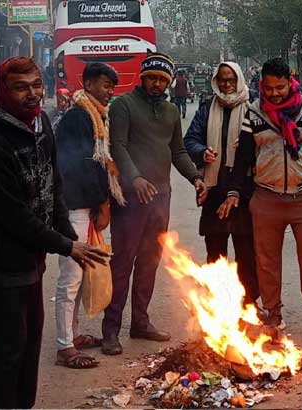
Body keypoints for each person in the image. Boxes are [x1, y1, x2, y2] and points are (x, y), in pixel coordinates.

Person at [0, 56, 109, 408]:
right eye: (20, 87)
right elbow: (12, 215)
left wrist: (68, 237)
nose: (31, 94)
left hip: (32, 259)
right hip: (2, 261)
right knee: (8, 351)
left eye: (36, 85)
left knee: (29, 348)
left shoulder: (41, 122)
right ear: (3, 90)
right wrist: (66, 246)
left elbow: (53, 185)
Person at [220, 57, 302, 337]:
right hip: (266, 198)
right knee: (267, 260)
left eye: (280, 87)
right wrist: (234, 191)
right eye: (269, 88)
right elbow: (244, 156)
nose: (274, 93)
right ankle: (273, 314)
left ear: (291, 81)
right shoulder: (254, 112)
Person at [102, 52, 208, 355]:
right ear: (142, 76)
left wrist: (195, 177)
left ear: (169, 81)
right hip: (131, 198)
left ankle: (140, 323)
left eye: (163, 79)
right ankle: (110, 329)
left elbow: (178, 151)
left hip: (161, 196)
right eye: (152, 78)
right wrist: (134, 178)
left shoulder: (172, 111)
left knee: (149, 262)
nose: (157, 84)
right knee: (122, 263)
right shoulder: (123, 105)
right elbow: (117, 146)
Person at [54, 62, 125, 369]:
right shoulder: (79, 116)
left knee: (81, 275)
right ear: (89, 84)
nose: (110, 92)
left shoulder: (95, 115)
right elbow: (80, 165)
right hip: (75, 207)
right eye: (105, 86)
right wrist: (101, 202)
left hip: (86, 205)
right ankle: (64, 346)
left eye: (112, 86)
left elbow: (96, 162)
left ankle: (75, 334)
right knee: (70, 278)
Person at [184, 61, 258, 306]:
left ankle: (248, 302)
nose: (227, 84)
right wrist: (201, 151)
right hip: (215, 188)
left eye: (231, 80)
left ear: (239, 80)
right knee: (215, 247)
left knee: (246, 249)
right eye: (223, 80)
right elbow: (191, 139)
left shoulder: (253, 106)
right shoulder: (207, 107)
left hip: (245, 188)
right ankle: (218, 302)